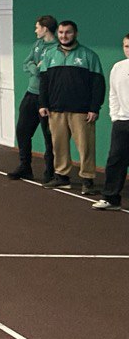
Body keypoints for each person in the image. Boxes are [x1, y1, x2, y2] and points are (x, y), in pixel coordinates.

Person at [38, 20, 105, 195]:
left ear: (76, 34)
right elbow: (43, 82)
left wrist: (94, 108)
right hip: (56, 109)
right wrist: (43, 104)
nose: (64, 36)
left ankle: (87, 180)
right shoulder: (50, 55)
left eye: (68, 32)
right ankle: (62, 177)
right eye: (61, 32)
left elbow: (98, 84)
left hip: (81, 111)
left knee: (86, 147)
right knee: (58, 145)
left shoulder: (89, 55)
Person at [8, 15, 59, 182]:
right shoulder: (37, 44)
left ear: (45, 28)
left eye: (37, 27)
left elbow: (48, 71)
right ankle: (25, 167)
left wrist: (39, 68)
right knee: (22, 131)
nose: (35, 30)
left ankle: (50, 172)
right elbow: (26, 63)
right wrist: (34, 68)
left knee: (49, 137)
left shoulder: (57, 48)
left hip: (48, 98)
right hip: (31, 94)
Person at [93, 33, 129, 211]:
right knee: (115, 160)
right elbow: (113, 94)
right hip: (122, 122)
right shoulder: (118, 67)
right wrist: (115, 116)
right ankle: (111, 198)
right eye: (126, 46)